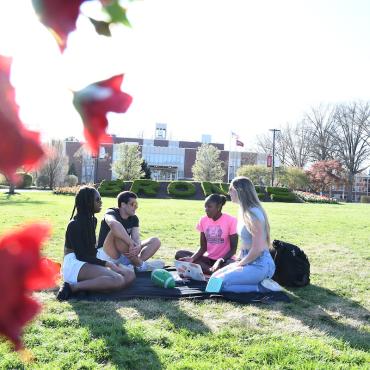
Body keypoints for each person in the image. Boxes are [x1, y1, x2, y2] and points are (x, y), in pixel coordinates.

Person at [57, 186, 135, 301]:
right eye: (97, 200)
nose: (101, 202)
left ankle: (87, 286)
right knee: (118, 280)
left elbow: (91, 251)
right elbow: (81, 255)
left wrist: (104, 264)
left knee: (130, 275)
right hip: (74, 263)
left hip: (88, 260)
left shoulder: (93, 221)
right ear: (88, 202)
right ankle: (72, 287)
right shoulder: (74, 224)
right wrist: (107, 264)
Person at [212, 177, 282, 292]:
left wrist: (239, 264)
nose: (228, 192)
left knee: (221, 285)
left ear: (239, 191)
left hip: (259, 264)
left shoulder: (254, 214)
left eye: (231, 189)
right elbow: (245, 242)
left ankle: (264, 287)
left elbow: (257, 249)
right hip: (247, 259)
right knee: (214, 279)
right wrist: (237, 260)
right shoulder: (243, 211)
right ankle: (259, 284)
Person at [97, 191, 163, 271]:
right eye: (133, 204)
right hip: (107, 254)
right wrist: (130, 242)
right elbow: (113, 224)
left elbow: (136, 237)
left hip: (125, 253)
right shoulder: (111, 212)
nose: (136, 207)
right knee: (114, 232)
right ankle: (140, 265)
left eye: (136, 205)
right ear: (123, 205)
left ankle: (134, 265)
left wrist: (137, 246)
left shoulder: (134, 218)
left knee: (155, 241)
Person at [175, 194, 238, 275]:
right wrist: (192, 258)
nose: (206, 209)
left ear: (218, 207)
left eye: (209, 207)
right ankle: (211, 271)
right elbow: (203, 247)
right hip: (208, 259)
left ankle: (209, 270)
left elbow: (233, 250)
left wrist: (220, 260)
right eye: (205, 207)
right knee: (180, 254)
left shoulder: (231, 220)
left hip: (224, 260)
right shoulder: (203, 220)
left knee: (233, 266)